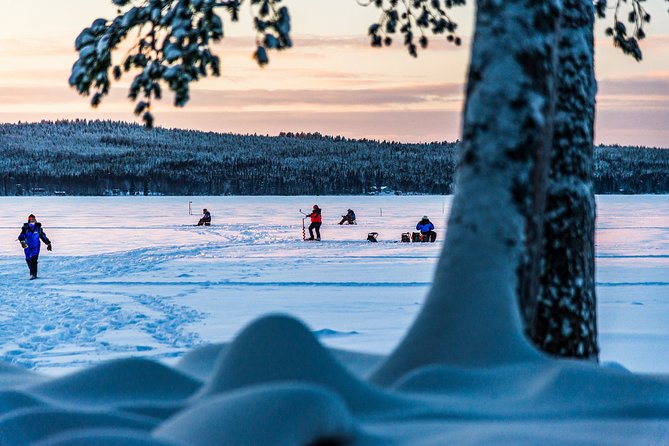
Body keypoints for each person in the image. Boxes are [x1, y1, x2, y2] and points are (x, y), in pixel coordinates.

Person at [18, 214, 52, 280]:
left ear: (35, 220)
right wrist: (22, 242)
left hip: (36, 247)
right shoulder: (25, 228)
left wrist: (48, 244)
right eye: (31, 220)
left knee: (33, 260)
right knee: (28, 260)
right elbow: (21, 236)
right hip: (27, 247)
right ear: (28, 221)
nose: (32, 221)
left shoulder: (38, 229)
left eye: (33, 220)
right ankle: (32, 273)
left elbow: (43, 237)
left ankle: (33, 275)